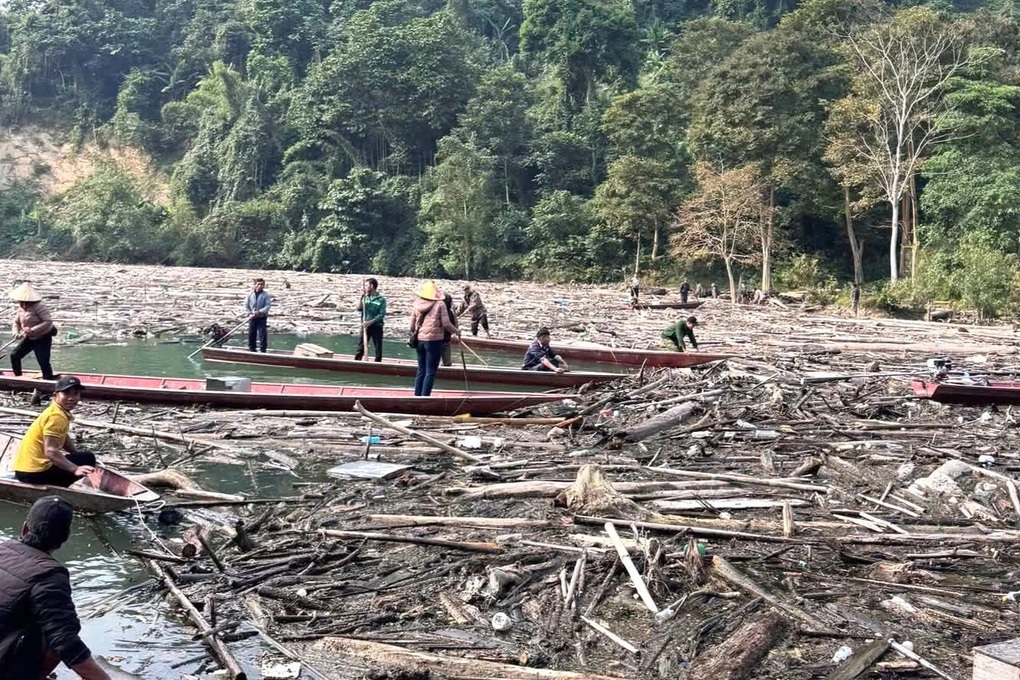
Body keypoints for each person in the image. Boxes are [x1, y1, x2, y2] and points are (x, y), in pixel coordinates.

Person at [0, 496, 113, 680]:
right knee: (58, 629)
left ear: (25, 527)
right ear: (64, 539)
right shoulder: (50, 576)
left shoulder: (3, 548)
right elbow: (66, 642)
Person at [14, 375, 97, 488]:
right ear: (56, 395)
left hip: (24, 470)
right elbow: (50, 451)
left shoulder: (57, 410)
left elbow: (64, 436)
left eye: (75, 393)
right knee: (88, 458)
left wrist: (75, 453)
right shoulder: (56, 416)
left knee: (82, 457)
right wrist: (75, 468)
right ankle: (58, 488)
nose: (71, 398)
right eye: (66, 393)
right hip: (33, 474)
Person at [410, 281, 460, 396]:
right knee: (430, 371)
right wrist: (457, 331)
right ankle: (425, 398)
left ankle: (417, 396)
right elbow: (446, 324)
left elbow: (412, 326)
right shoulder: (440, 304)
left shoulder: (416, 304)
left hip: (420, 341)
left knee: (421, 370)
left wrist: (420, 334)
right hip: (434, 341)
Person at [10, 282, 56, 381]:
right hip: (29, 338)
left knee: (43, 362)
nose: (22, 303)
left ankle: (48, 382)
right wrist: (16, 333)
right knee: (14, 355)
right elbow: (16, 322)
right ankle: (18, 378)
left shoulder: (39, 306)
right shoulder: (21, 308)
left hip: (42, 337)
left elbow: (48, 321)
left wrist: (33, 330)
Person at [355, 278, 387, 362]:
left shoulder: (381, 299)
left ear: (372, 286)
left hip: (376, 326)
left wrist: (371, 321)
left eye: (366, 285)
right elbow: (359, 308)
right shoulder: (365, 298)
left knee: (378, 348)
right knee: (360, 347)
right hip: (365, 326)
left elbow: (381, 314)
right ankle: (356, 362)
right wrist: (361, 297)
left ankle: (378, 364)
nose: (365, 287)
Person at [245, 278, 271, 353]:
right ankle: (252, 349)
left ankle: (263, 350)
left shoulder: (266, 295)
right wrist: (250, 313)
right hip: (252, 317)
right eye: (258, 284)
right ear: (255, 285)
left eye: (262, 284)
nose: (260, 286)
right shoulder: (250, 294)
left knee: (262, 334)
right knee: (251, 333)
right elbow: (246, 306)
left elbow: (267, 306)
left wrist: (259, 312)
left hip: (261, 317)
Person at [440, 293, 459, 368]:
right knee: (446, 363)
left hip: (435, 339)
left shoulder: (435, 311)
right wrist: (457, 331)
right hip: (444, 340)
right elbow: (451, 326)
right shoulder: (449, 313)